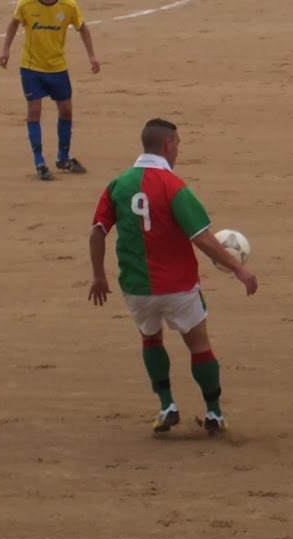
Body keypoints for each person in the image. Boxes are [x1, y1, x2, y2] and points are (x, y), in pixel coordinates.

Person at [88, 118, 259, 434]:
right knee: (199, 346)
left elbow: (97, 231)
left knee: (151, 339)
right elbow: (202, 238)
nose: (178, 150)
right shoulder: (174, 187)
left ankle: (167, 405)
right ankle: (214, 412)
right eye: (178, 144)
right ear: (167, 145)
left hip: (136, 287)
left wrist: (98, 276)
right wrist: (239, 269)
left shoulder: (117, 185)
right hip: (177, 287)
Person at [0, 0, 100, 180]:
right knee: (34, 110)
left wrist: (91, 55)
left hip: (57, 67)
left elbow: (83, 28)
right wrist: (5, 49)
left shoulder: (68, 5)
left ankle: (63, 157)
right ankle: (39, 162)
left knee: (66, 110)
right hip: (31, 67)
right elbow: (13, 24)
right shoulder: (26, 3)